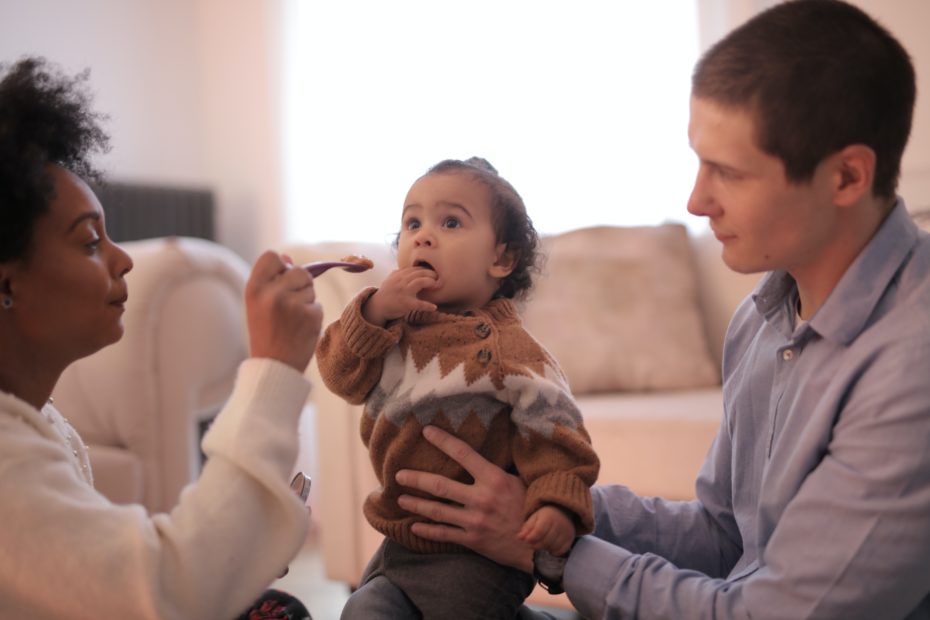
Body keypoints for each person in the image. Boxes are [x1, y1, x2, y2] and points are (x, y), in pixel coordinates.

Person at [391, 1, 930, 618]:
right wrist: (549, 500)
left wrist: (546, 552)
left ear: (845, 177)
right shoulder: (766, 314)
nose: (697, 201)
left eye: (729, 172)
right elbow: (726, 536)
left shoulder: (912, 366)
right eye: (699, 161)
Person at [0, 56, 323, 618]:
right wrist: (272, 368)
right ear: (7, 281)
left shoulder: (41, 422)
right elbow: (167, 593)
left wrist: (236, 545)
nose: (123, 260)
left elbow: (107, 571)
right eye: (89, 242)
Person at [315, 157, 600, 619]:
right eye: (412, 222)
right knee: (361, 612)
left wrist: (557, 506)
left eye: (450, 222)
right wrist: (372, 312)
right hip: (398, 543)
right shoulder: (389, 332)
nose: (423, 235)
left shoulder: (511, 351)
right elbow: (339, 377)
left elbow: (557, 431)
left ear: (501, 258)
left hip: (477, 554)